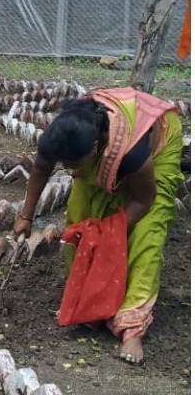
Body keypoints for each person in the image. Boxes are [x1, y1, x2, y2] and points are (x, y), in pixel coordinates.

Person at [13, 87, 184, 365]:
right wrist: (26, 216)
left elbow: (144, 198)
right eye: (64, 163)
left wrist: (109, 233)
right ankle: (88, 304)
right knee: (81, 220)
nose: (68, 168)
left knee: (146, 235)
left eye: (72, 163)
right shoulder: (60, 137)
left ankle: (132, 326)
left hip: (156, 142)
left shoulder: (131, 153)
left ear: (94, 148)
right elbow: (42, 168)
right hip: (107, 147)